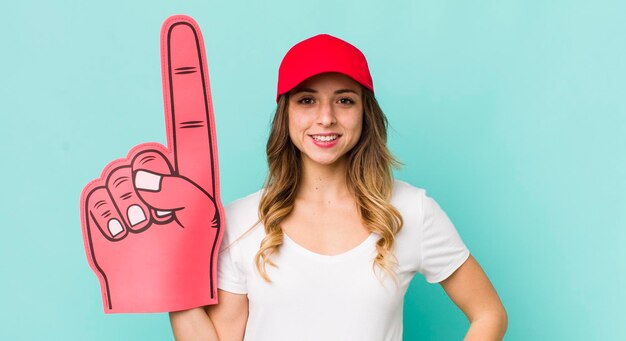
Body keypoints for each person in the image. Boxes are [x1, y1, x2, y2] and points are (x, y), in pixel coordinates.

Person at [169, 34, 507, 340]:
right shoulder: (242, 221)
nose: (326, 117)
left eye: (344, 100)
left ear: (365, 113)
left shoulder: (410, 210)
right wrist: (169, 280)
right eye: (307, 100)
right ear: (285, 115)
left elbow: (489, 314)